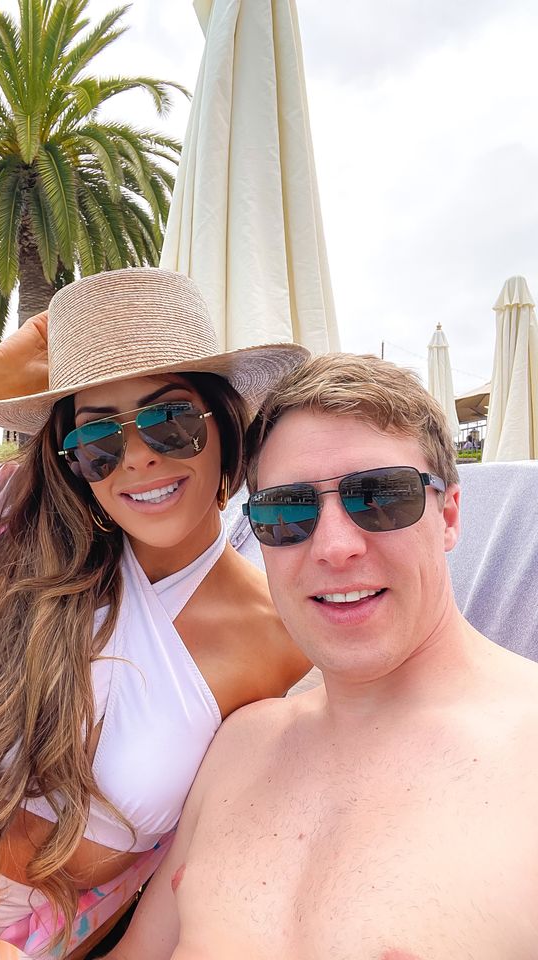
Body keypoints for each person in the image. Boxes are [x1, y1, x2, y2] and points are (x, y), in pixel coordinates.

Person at [0, 267, 312, 960]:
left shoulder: (287, 637)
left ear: (225, 426)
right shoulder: (20, 530)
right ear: (69, 457)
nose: (135, 459)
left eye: (169, 423)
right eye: (97, 441)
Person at [102, 353, 538, 960]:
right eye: (288, 512)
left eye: (380, 498)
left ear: (448, 515)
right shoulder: (238, 747)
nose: (334, 547)